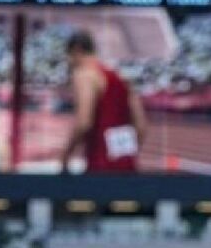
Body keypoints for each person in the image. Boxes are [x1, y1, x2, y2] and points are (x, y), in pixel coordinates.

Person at [59, 30, 146, 173]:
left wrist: (66, 156)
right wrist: (126, 155)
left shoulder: (84, 75)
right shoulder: (120, 77)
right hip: (127, 165)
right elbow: (141, 126)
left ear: (76, 50)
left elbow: (84, 122)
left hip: (99, 165)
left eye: (68, 56)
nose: (69, 62)